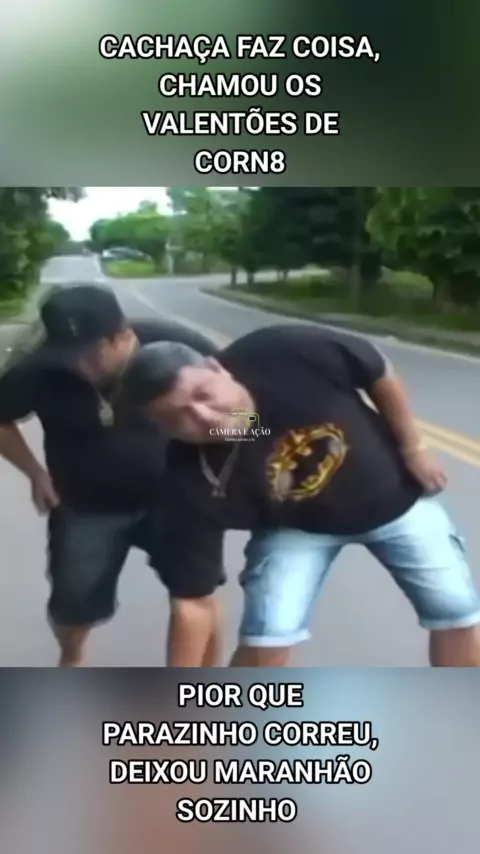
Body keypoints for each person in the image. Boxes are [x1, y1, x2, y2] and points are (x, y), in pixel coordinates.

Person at [120, 323, 480, 667]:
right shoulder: (188, 478)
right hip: (296, 530)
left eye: (203, 394)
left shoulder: (282, 352)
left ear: (217, 367)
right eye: (176, 417)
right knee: (267, 635)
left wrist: (412, 446)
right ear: (160, 427)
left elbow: (377, 368)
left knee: (457, 612)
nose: (204, 417)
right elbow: (193, 602)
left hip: (397, 501)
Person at [0, 283, 219, 667]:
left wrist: (224, 456)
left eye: (90, 352)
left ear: (122, 336)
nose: (78, 365)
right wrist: (34, 472)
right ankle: (73, 659)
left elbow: (244, 412)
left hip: (178, 499)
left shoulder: (179, 346)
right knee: (72, 606)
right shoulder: (36, 368)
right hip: (85, 506)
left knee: (195, 597)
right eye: (67, 354)